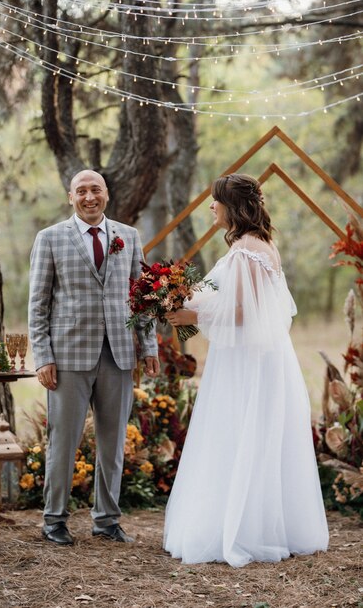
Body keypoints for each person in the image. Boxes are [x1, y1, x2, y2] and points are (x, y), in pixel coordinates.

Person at [163, 173, 329, 567]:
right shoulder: (258, 244)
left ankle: (242, 530)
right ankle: (265, 523)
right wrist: (193, 300)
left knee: (239, 430)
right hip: (259, 356)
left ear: (232, 206)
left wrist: (190, 313)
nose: (210, 207)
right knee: (254, 433)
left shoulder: (245, 250)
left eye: (215, 201)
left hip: (247, 361)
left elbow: (244, 312)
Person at [28, 169, 159, 546]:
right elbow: (38, 304)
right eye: (82, 191)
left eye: (95, 190)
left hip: (118, 353)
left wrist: (147, 347)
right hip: (67, 356)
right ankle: (54, 520)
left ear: (106, 194)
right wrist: (43, 356)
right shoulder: (50, 238)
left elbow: (142, 297)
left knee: (113, 442)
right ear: (71, 197)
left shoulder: (128, 236)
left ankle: (107, 520)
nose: (89, 197)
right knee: (63, 442)